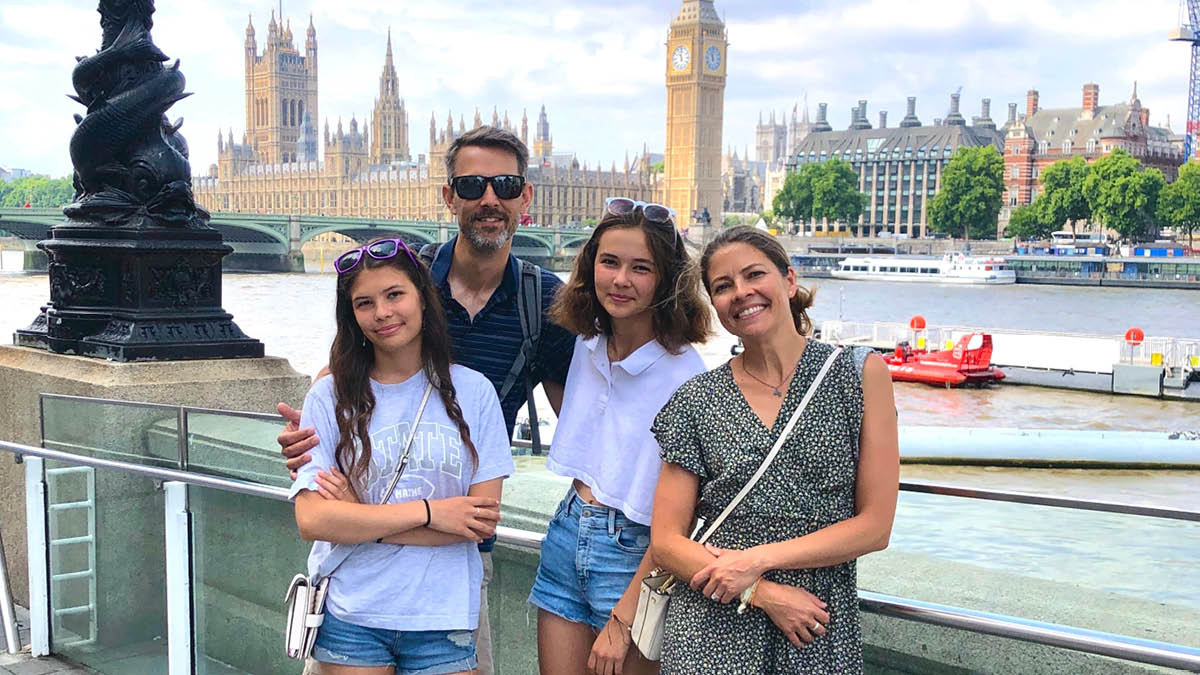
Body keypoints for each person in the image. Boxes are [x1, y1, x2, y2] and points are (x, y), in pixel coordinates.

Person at [279, 126, 576, 675]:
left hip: (452, 573)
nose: (489, 198)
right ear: (449, 197)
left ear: (525, 196)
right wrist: (308, 435)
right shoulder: (405, 274)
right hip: (357, 589)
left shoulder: (545, 302)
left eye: (505, 184)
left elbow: (577, 429)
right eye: (472, 184)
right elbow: (340, 378)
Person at [649, 226, 899, 674]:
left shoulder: (858, 375)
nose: (741, 293)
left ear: (788, 279)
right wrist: (760, 591)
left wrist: (758, 561)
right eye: (723, 286)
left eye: (754, 275)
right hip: (714, 625)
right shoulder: (695, 400)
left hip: (814, 624)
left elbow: (875, 526)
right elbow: (667, 542)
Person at [290, 236, 515, 674]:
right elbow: (313, 520)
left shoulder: (474, 392)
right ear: (352, 317)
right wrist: (433, 512)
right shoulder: (328, 396)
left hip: (443, 615)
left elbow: (477, 522)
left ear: (423, 299)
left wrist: (358, 518)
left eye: (395, 295)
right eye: (364, 303)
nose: (383, 313)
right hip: (351, 612)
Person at [528, 198, 712, 675]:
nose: (620, 280)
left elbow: (679, 519)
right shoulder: (585, 344)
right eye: (609, 262)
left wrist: (624, 617)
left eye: (640, 268)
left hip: (634, 553)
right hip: (568, 529)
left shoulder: (684, 375)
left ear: (666, 279)